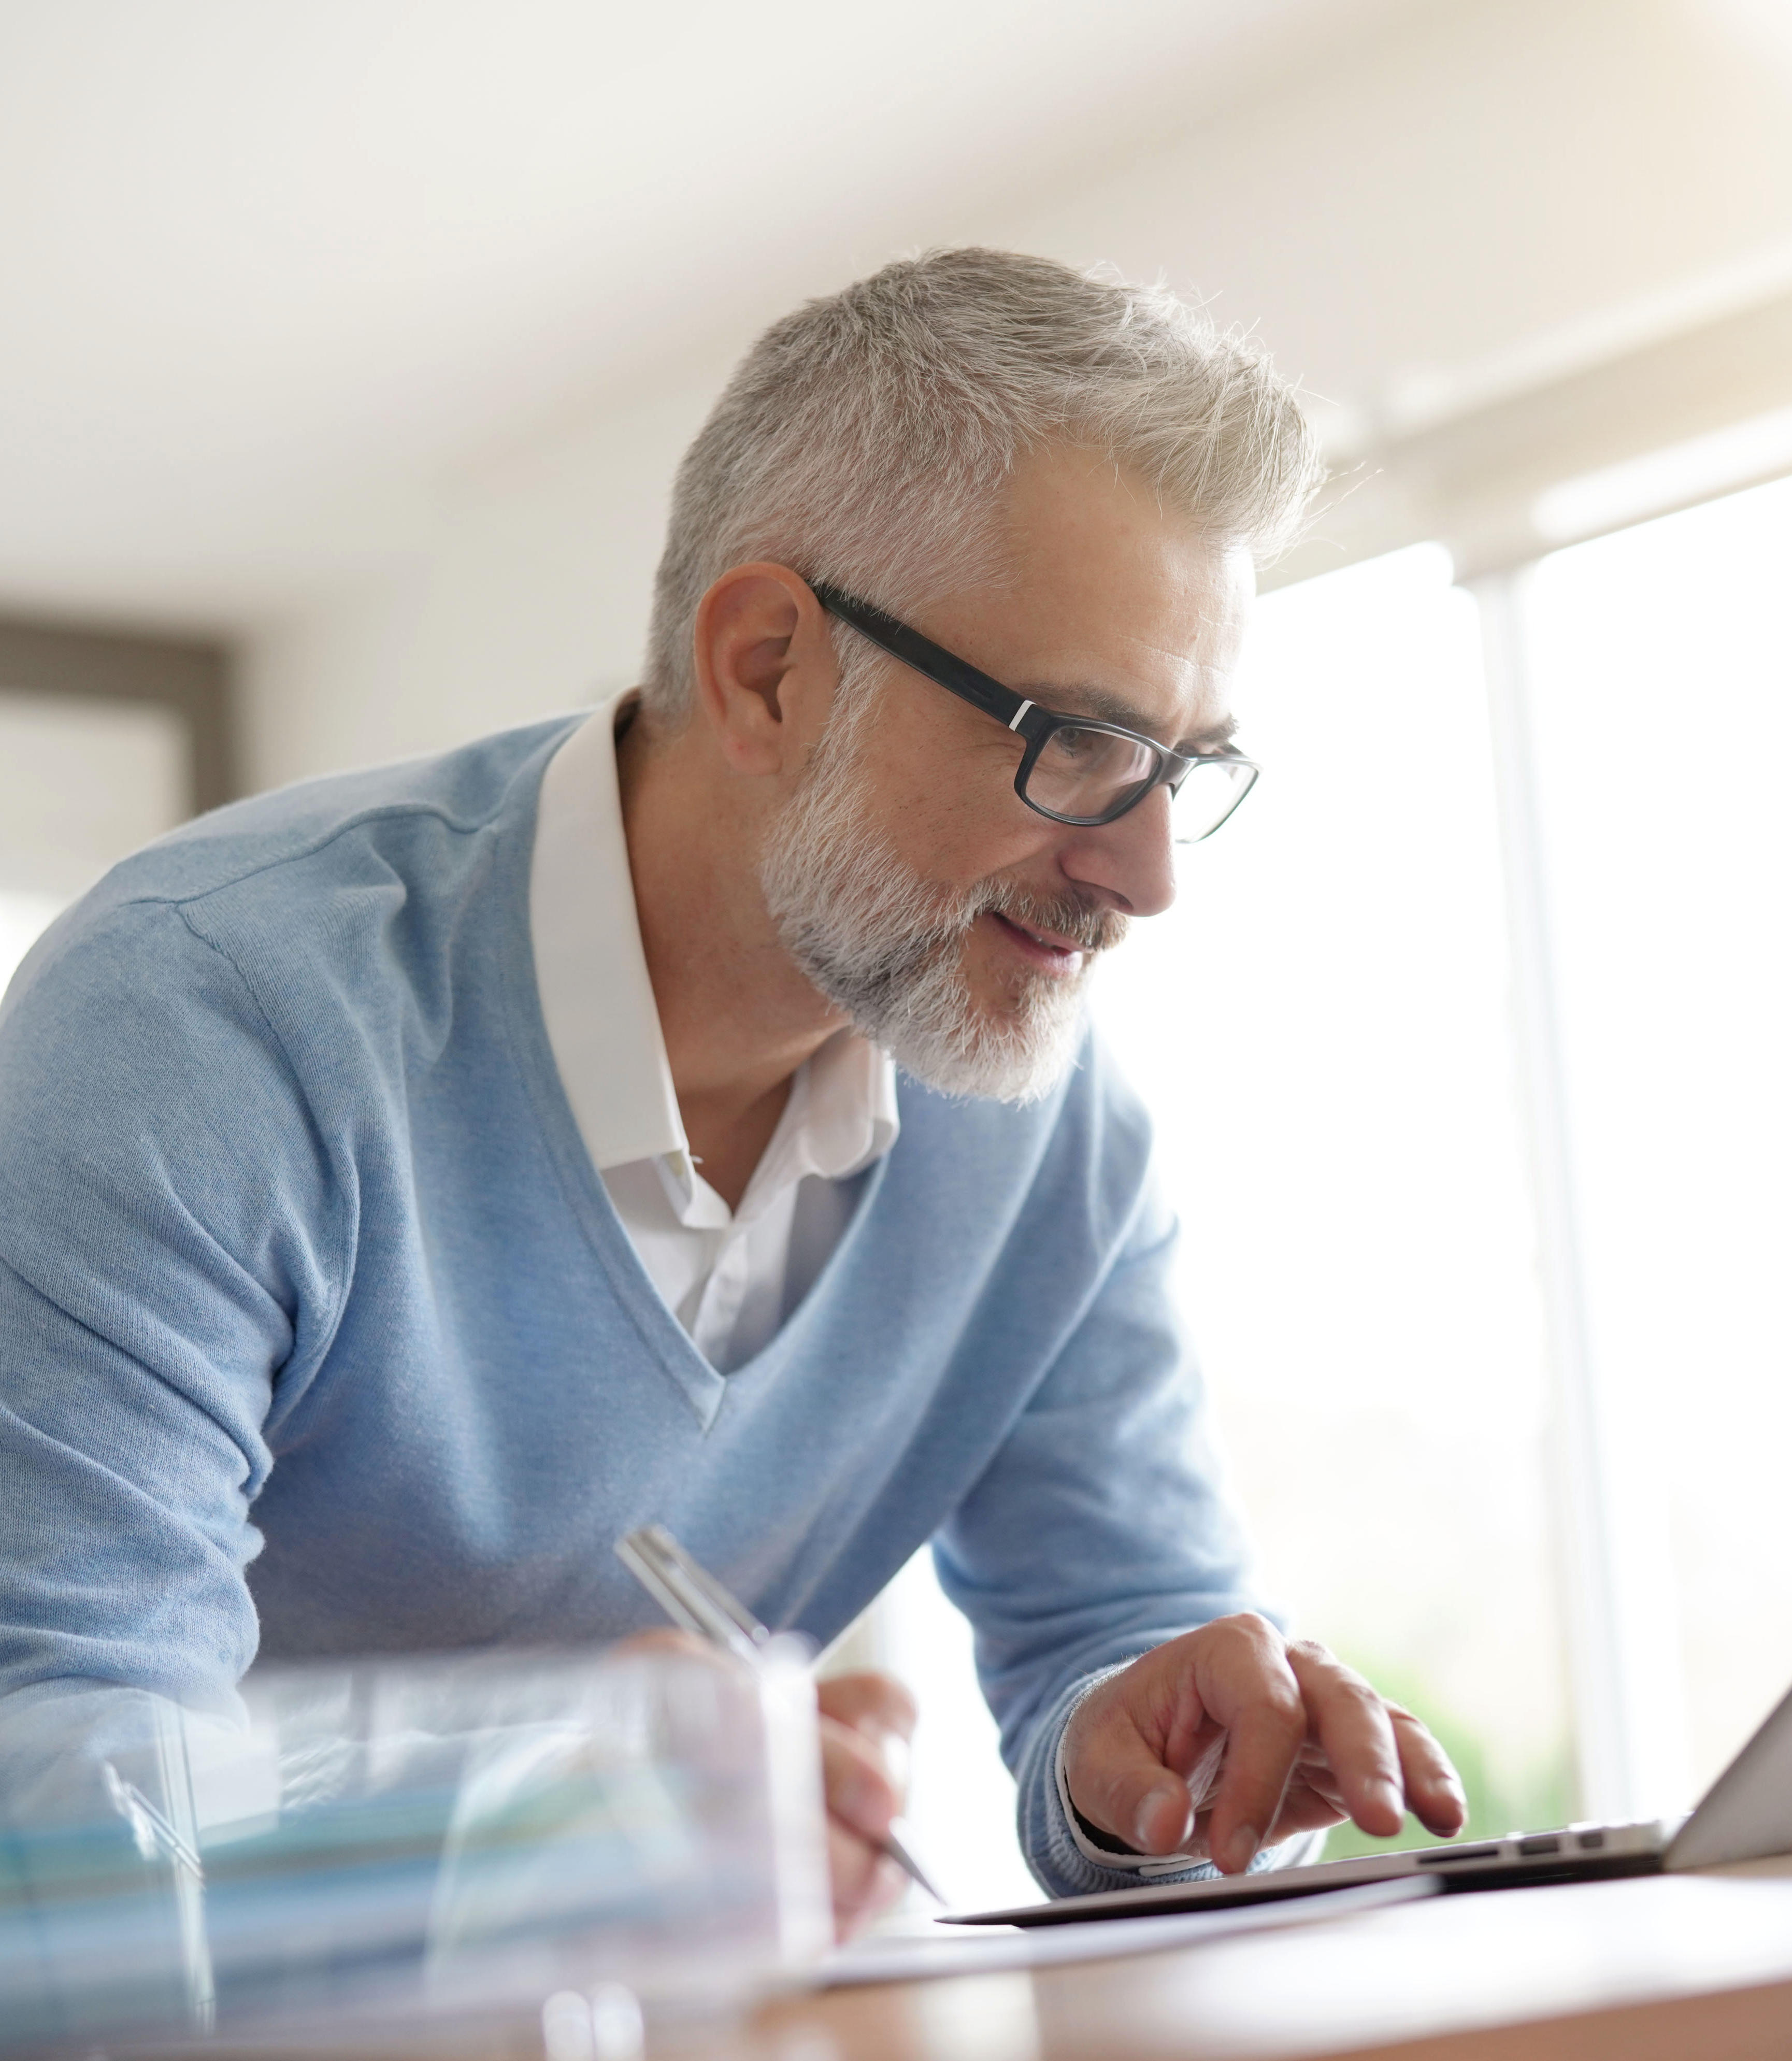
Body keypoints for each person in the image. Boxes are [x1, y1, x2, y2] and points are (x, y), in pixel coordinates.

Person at [0, 249, 1465, 1939]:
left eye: (1183, 770)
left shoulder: (1049, 1133)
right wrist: (509, 1809)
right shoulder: (207, 1017)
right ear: (768, 666)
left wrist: (1157, 1757)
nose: (1144, 876)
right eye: (1074, 740)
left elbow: (1116, 1643)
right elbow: (52, 1786)